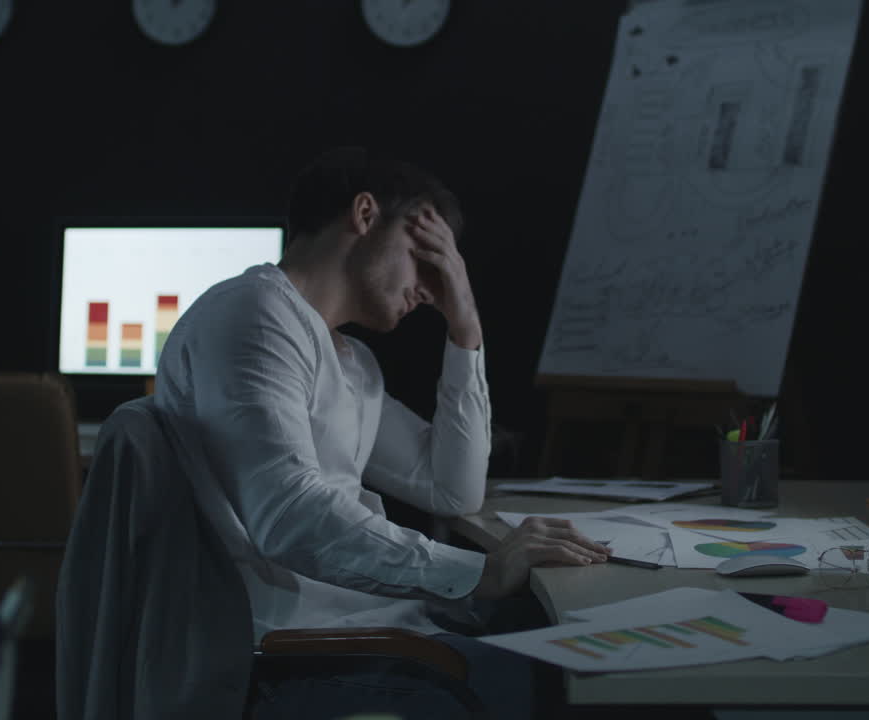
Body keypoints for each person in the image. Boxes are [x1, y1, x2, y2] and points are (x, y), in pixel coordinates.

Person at [153, 146, 609, 718]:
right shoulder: (254, 313)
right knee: (570, 683)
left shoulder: (352, 361)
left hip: (371, 631)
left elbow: (453, 489)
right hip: (288, 657)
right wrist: (480, 572)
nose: (432, 286)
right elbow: (287, 515)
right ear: (365, 215)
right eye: (427, 256)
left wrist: (465, 326)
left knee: (563, 639)